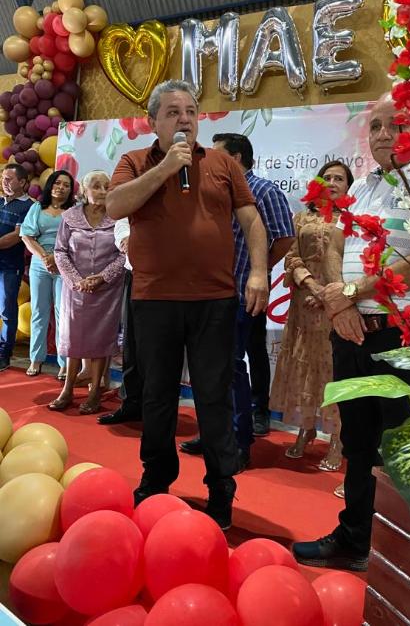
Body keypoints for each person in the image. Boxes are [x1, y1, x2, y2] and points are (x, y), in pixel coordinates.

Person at [107, 80, 269, 530]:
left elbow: (252, 220)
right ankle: (156, 481)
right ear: (153, 120)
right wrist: (164, 170)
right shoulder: (134, 162)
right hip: (154, 300)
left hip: (214, 301)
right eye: (174, 112)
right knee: (156, 397)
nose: (184, 119)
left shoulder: (221, 164)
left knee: (213, 399)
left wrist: (258, 272)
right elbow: (115, 206)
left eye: (191, 111)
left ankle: (221, 489)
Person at [293, 94, 410, 571]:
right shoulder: (364, 188)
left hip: (403, 334)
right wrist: (337, 305)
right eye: (376, 127)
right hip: (351, 332)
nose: (384, 135)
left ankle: (405, 559)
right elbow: (339, 256)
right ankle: (355, 541)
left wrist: (349, 291)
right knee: (359, 444)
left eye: (397, 124)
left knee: (404, 449)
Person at [180, 133, 294, 465]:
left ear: (238, 158)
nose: (209, 161)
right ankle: (214, 434)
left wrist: (260, 269)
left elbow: (284, 237)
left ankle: (238, 443)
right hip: (204, 290)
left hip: (239, 291)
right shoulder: (212, 190)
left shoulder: (264, 190)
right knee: (206, 368)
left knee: (229, 368)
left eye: (218, 155)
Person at [270, 161, 354, 471]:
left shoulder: (354, 221)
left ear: (349, 186)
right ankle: (306, 429)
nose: (332, 182)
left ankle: (337, 440)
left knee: (334, 373)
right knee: (303, 369)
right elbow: (292, 258)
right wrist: (311, 286)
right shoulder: (302, 217)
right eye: (327, 177)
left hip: (339, 308)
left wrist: (332, 294)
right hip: (304, 306)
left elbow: (355, 261)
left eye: (339, 178)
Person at [48, 170, 125, 415]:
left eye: (106, 186)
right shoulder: (70, 216)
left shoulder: (118, 218)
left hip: (107, 291)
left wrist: (102, 278)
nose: (102, 191)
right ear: (83, 190)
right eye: (96, 186)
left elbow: (124, 254)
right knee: (73, 339)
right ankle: (67, 389)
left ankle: (95, 392)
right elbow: (60, 251)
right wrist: (76, 280)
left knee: (101, 340)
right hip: (75, 289)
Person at [20, 170, 75, 377]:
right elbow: (27, 236)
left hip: (65, 266)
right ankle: (36, 359)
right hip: (39, 265)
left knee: (63, 316)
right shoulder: (37, 208)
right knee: (38, 313)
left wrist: (57, 258)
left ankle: (64, 363)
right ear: (50, 185)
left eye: (66, 185)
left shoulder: (74, 211)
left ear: (71, 190)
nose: (61, 187)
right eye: (57, 183)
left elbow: (78, 239)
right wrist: (45, 257)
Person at [98, 217, 143, 424]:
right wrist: (125, 238)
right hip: (135, 273)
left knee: (161, 348)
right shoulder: (135, 186)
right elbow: (123, 219)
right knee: (131, 344)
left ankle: (156, 408)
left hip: (167, 276)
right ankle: (130, 403)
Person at [0, 164, 32, 371]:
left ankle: (4, 354)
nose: (4, 182)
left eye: (9, 179)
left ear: (22, 182)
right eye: (3, 178)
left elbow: (16, 237)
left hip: (10, 267)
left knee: (6, 310)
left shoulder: (29, 206)